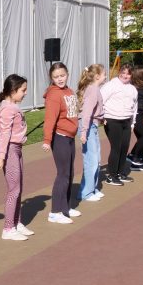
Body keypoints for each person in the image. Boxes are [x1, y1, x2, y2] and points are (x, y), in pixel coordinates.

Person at [42, 63, 81, 224]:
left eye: (62, 75)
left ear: (67, 74)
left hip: (70, 137)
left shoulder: (69, 91)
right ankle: (55, 212)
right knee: (63, 174)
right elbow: (50, 119)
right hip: (60, 138)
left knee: (70, 173)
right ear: (51, 78)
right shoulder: (54, 95)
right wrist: (47, 140)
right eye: (56, 77)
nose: (60, 79)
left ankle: (65, 207)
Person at [0, 74, 32, 240]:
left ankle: (17, 222)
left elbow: (14, 130)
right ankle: (8, 229)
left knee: (18, 188)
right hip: (9, 151)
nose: (25, 93)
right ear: (13, 90)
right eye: (23, 90)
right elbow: (5, 134)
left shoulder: (11, 106)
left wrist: (21, 137)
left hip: (16, 149)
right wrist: (1, 157)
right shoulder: (8, 108)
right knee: (13, 190)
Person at [99, 64, 137, 186]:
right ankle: (111, 175)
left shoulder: (132, 89)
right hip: (112, 120)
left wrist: (132, 123)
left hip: (126, 121)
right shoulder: (110, 85)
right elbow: (100, 101)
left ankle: (120, 172)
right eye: (123, 73)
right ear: (119, 72)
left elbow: (134, 107)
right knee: (116, 147)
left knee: (124, 147)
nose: (125, 76)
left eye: (128, 74)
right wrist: (102, 117)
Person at [77, 63, 107, 202]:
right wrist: (84, 132)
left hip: (93, 125)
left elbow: (96, 110)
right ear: (97, 76)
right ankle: (86, 192)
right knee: (91, 160)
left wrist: (101, 118)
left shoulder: (94, 88)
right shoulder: (93, 89)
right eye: (104, 74)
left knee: (96, 159)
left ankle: (92, 188)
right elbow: (87, 112)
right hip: (88, 126)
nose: (105, 76)